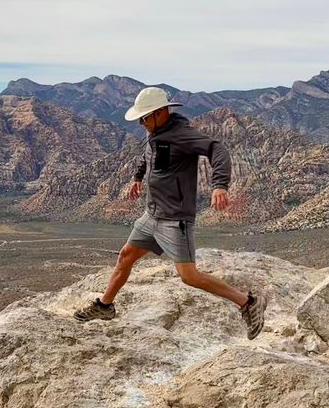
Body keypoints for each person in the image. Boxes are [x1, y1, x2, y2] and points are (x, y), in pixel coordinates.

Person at [73, 86, 266, 339]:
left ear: (161, 112)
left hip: (174, 219)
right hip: (151, 215)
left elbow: (217, 149)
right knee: (126, 256)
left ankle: (247, 302)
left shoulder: (181, 135)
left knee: (189, 276)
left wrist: (220, 185)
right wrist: (138, 177)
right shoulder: (156, 132)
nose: (141, 122)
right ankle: (105, 306)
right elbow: (150, 154)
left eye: (145, 117)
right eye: (140, 118)